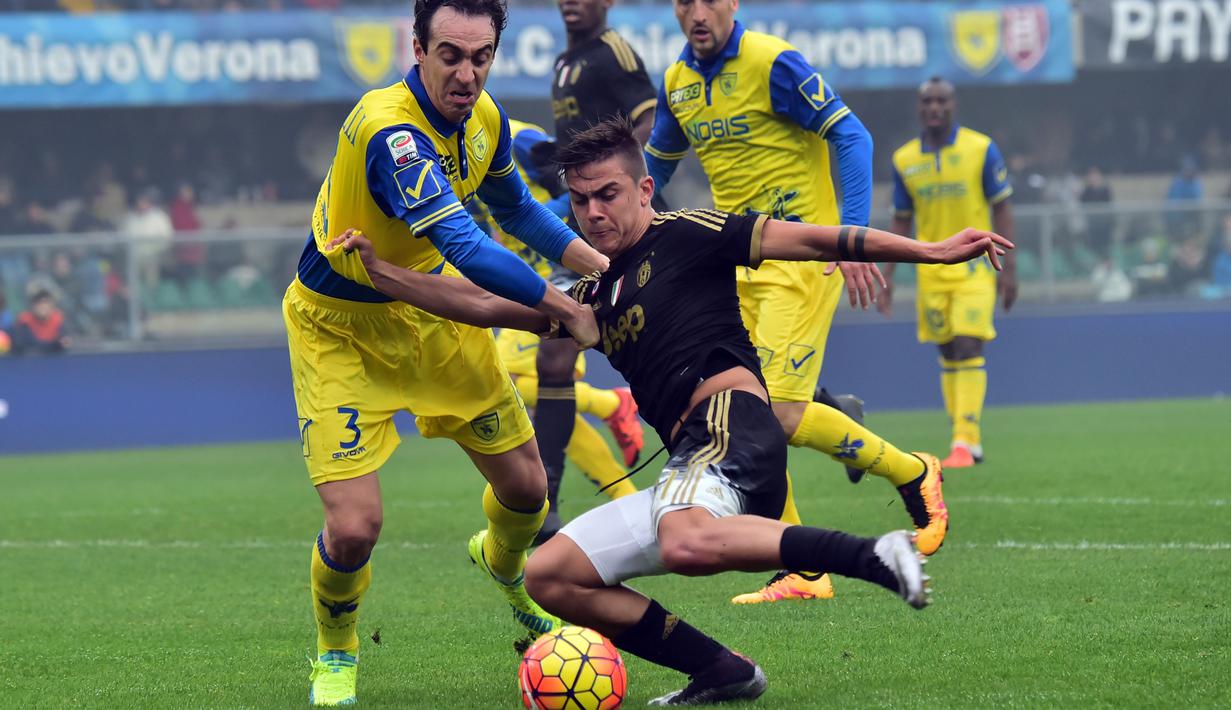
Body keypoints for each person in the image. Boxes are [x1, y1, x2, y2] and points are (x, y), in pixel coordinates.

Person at [327, 117, 1012, 706]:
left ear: (644, 189)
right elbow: (481, 303)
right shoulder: (590, 296)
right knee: (550, 575)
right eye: (580, 201)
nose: (593, 213)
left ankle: (872, 556)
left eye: (608, 194)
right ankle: (721, 669)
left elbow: (810, 239)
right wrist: (383, 275)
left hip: (732, 427)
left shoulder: (688, 232)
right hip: (692, 465)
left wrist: (927, 251)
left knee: (683, 539)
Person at [284, 1, 608, 705]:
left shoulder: (485, 118)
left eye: (481, 56)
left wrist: (600, 267)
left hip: (431, 314)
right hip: (340, 329)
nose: (467, 74)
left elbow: (517, 211)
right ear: (418, 48)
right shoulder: (390, 131)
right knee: (354, 528)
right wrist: (563, 307)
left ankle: (502, 566)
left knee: (527, 493)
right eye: (451, 55)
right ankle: (336, 650)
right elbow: (463, 244)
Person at [644, 0, 943, 605]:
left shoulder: (773, 62)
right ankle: (805, 570)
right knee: (742, 407)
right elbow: (653, 168)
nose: (697, 12)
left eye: (709, 0)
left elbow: (850, 134)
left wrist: (851, 238)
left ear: (732, 3)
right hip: (736, 263)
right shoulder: (677, 82)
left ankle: (912, 473)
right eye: (683, 2)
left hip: (803, 257)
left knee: (773, 415)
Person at [534, 0, 661, 544]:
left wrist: (612, 183)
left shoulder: (613, 53)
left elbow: (648, 121)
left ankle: (816, 405)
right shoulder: (565, 61)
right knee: (553, 357)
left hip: (628, 227)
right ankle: (545, 504)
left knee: (681, 345)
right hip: (583, 228)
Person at [479, 117, 644, 499]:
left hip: (561, 275)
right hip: (525, 281)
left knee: (508, 382)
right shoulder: (454, 155)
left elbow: (578, 188)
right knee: (548, 398)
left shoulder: (518, 139)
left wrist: (527, 218)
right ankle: (625, 495)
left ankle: (610, 404)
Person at [881, 77, 1017, 468]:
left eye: (942, 101)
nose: (935, 108)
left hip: (976, 266)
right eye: (928, 101)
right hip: (932, 269)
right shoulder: (905, 159)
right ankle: (964, 438)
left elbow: (1002, 207)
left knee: (968, 344)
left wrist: (1009, 270)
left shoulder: (981, 149)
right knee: (947, 351)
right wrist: (888, 275)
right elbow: (902, 219)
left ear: (953, 105)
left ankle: (964, 440)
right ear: (919, 107)